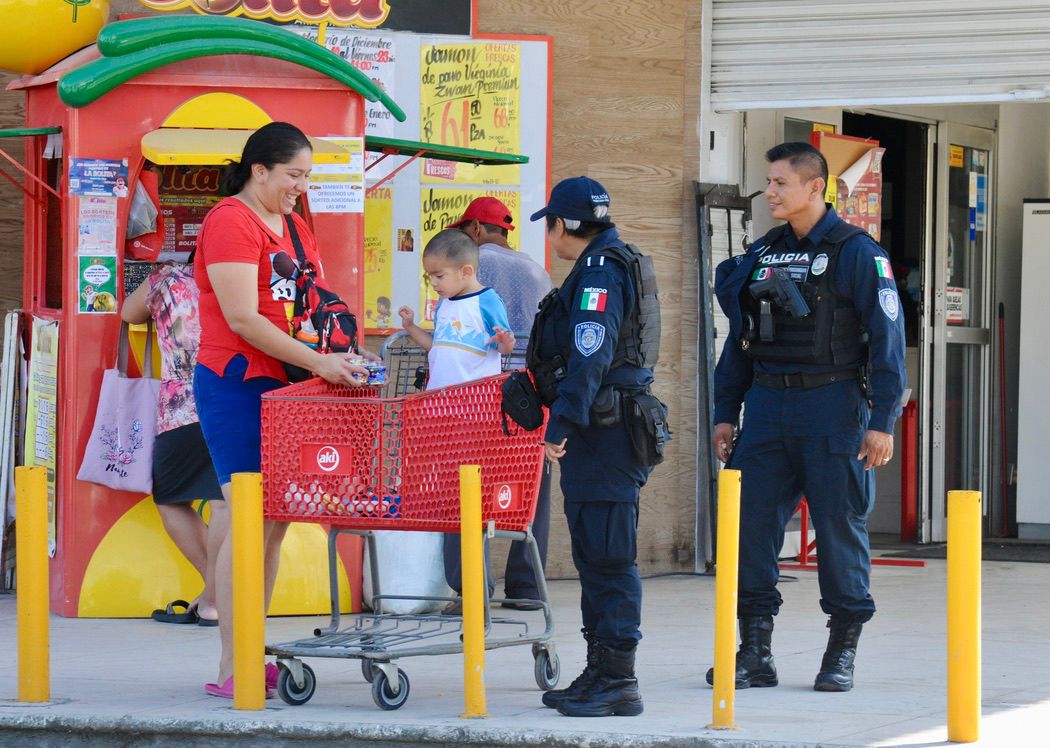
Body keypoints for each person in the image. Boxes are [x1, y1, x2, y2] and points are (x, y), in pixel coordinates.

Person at [709, 142, 906, 693]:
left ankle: (840, 653)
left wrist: (882, 419)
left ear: (814, 186)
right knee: (749, 531)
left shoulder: (857, 253)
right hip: (768, 406)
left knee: (840, 530)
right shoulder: (763, 252)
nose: (769, 192)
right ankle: (754, 651)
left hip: (835, 406)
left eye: (779, 183)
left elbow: (889, 342)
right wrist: (727, 411)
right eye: (768, 182)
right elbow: (741, 342)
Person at [193, 122, 371, 699]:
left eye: (308, 176)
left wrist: (341, 353)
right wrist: (319, 364)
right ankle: (232, 663)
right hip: (237, 381)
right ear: (259, 169)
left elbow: (311, 304)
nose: (302, 185)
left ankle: (252, 649)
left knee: (273, 523)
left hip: (291, 385)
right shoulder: (229, 221)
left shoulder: (294, 226)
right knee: (248, 519)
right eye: (294, 174)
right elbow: (243, 317)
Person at [527, 177, 659, 718]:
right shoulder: (607, 262)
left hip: (604, 430)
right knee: (594, 554)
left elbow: (591, 355)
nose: (550, 235)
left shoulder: (600, 273)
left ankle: (619, 680)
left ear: (563, 225)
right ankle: (600, 670)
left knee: (608, 555)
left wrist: (559, 423)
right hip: (605, 426)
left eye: (551, 224)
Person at [398, 229, 517, 612]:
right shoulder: (446, 304)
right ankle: (463, 585)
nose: (434, 284)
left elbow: (505, 344)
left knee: (469, 501)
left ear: (466, 271)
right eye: (430, 277)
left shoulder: (487, 301)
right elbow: (440, 349)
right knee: (449, 500)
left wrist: (504, 341)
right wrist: (413, 328)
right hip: (440, 410)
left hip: (473, 412)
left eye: (439, 276)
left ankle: (474, 586)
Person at [446, 196, 553, 611]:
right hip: (530, 395)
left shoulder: (472, 267)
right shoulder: (537, 271)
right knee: (530, 486)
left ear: (475, 230)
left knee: (463, 486)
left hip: (477, 394)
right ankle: (526, 587)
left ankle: (470, 587)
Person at [122, 261, 226, 627]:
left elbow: (127, 313)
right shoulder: (251, 281)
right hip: (233, 403)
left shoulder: (167, 278)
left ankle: (213, 598)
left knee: (170, 499)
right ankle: (216, 596)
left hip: (181, 409)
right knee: (224, 502)